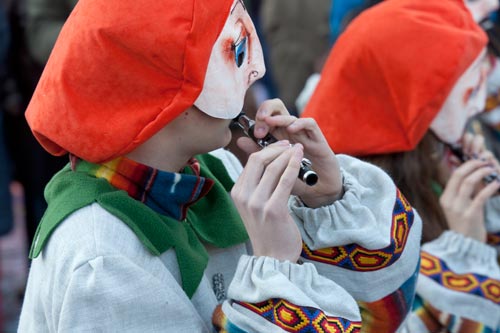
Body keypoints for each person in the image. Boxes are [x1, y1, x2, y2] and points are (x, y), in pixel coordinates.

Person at [18, 0, 422, 331]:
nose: (257, 72)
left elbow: (376, 318)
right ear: (164, 85)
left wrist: (326, 201)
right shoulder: (103, 261)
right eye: (236, 50)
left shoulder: (217, 170)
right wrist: (275, 273)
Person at [303, 0, 500, 331]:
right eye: (469, 93)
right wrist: (462, 251)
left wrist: (485, 210)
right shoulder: (342, 212)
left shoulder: (432, 160)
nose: (481, 104)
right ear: (413, 101)